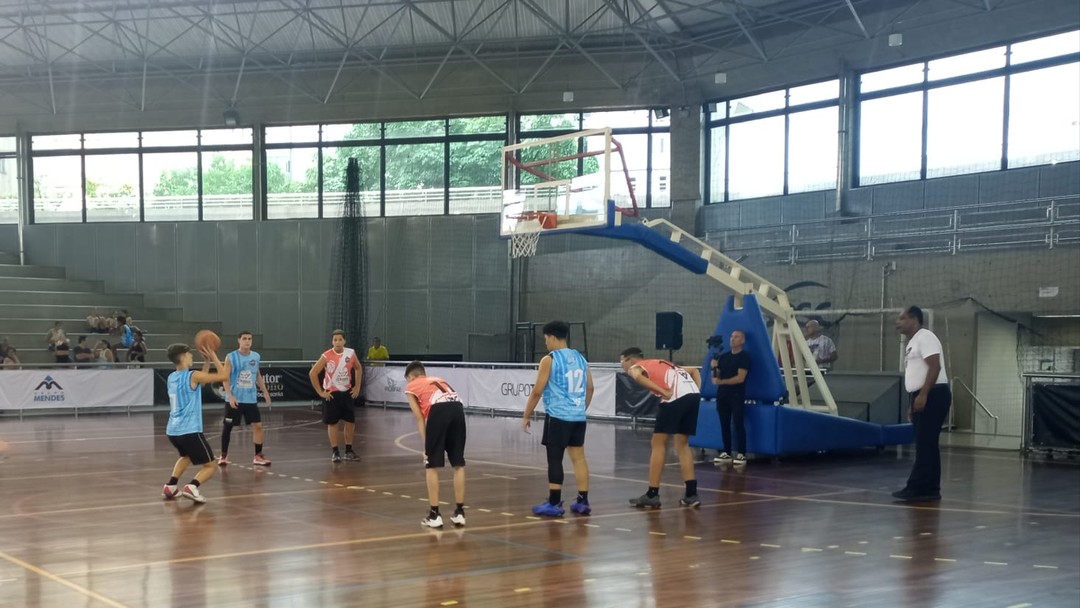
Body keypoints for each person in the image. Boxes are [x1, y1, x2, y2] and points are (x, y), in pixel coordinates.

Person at [522, 321, 594, 517]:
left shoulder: (550, 359)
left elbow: (538, 391)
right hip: (578, 417)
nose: (546, 344)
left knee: (555, 459)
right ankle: (583, 500)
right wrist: (580, 408)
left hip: (558, 417)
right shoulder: (580, 357)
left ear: (552, 337)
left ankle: (554, 503)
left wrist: (526, 414)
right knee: (579, 458)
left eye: (546, 339)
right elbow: (590, 388)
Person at [621, 347, 703, 509]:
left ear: (630, 359)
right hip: (692, 395)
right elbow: (694, 370)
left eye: (622, 361)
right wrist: (696, 391)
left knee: (658, 443)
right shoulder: (661, 364)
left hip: (675, 396)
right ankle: (691, 494)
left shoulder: (636, 367)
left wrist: (662, 391)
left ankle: (652, 494)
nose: (622, 366)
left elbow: (637, 376)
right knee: (682, 444)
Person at [892, 306, 951, 503]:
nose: (898, 322)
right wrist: (914, 399)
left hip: (934, 394)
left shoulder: (925, 337)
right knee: (926, 444)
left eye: (902, 318)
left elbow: (935, 366)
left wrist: (924, 394)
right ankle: (929, 488)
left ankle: (917, 487)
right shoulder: (913, 342)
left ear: (914, 319)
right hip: (923, 394)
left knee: (926, 444)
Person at [163, 343, 229, 504]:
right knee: (211, 466)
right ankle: (192, 487)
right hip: (189, 430)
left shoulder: (172, 377)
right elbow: (224, 376)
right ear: (184, 356)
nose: (192, 356)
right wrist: (212, 355)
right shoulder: (193, 376)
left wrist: (206, 363)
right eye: (190, 354)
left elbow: (201, 382)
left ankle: (171, 486)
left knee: (186, 456)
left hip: (173, 430)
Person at [404, 361, 468, 528]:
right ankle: (460, 512)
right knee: (458, 463)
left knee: (431, 465)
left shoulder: (412, 386)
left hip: (438, 411)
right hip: (457, 409)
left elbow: (419, 418)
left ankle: (434, 514)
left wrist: (426, 447)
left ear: (411, 377)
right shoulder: (439, 379)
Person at [219, 331, 273, 467]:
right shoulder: (231, 357)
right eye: (244, 339)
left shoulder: (256, 356)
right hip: (235, 399)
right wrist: (230, 396)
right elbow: (225, 377)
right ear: (239, 340)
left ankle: (258, 456)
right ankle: (223, 455)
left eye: (249, 339)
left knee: (258, 426)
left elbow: (258, 375)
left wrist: (265, 392)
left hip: (250, 399)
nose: (247, 341)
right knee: (228, 427)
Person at [308, 330, 363, 463]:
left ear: (344, 341)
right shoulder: (326, 356)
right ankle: (335, 452)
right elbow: (313, 373)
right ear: (332, 342)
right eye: (335, 340)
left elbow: (358, 368)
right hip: (332, 394)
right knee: (333, 423)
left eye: (340, 339)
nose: (337, 342)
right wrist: (321, 392)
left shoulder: (350, 353)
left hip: (346, 392)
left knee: (350, 422)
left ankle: (349, 450)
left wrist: (357, 387)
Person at [712, 330, 751, 465]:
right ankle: (726, 452)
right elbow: (716, 378)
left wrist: (721, 382)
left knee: (738, 424)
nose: (733, 339)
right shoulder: (723, 357)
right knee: (724, 424)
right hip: (722, 395)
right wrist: (714, 367)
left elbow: (740, 378)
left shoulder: (744, 357)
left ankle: (741, 453)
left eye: (736, 337)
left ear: (742, 340)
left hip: (736, 395)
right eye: (731, 336)